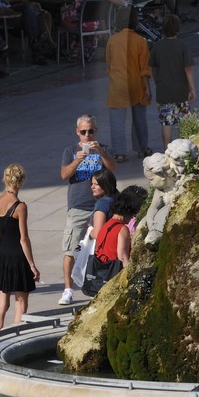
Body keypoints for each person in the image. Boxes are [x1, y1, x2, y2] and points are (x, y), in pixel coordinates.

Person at [58, 115, 116, 305]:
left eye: (90, 131)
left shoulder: (103, 149)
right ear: (77, 132)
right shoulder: (70, 150)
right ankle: (68, 290)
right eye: (83, 132)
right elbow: (64, 174)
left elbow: (113, 168)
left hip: (100, 205)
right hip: (78, 206)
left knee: (103, 246)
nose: (87, 135)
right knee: (70, 249)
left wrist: (101, 153)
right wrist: (77, 161)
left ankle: (102, 283)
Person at [0, 164, 39, 332]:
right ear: (21, 181)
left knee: (2, 305)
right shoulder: (20, 206)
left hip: (2, 256)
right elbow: (23, 239)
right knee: (21, 304)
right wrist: (32, 265)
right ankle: (16, 340)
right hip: (18, 258)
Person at [104, 11, 152, 162]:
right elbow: (144, 68)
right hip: (136, 84)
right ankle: (142, 149)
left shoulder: (112, 41)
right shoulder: (140, 41)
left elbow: (109, 64)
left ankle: (119, 153)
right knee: (139, 119)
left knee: (117, 120)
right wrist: (148, 88)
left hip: (117, 85)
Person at [149, 13, 195, 147]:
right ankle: (183, 151)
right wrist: (192, 88)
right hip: (182, 91)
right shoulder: (183, 46)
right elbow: (188, 68)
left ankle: (167, 151)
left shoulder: (157, 47)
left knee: (166, 123)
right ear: (178, 29)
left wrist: (158, 81)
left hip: (164, 91)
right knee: (184, 122)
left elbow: (153, 68)